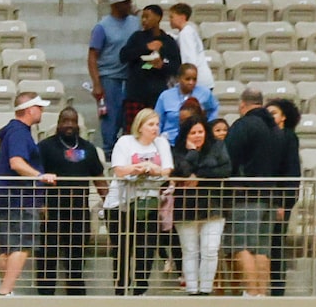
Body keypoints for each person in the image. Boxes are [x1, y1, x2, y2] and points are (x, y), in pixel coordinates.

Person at [224, 95, 302, 297]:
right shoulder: (278, 131)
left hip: (245, 196)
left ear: (242, 105)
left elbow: (228, 158)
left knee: (241, 247)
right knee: (262, 250)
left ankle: (250, 293)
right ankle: (261, 294)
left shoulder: (244, 125)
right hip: (270, 196)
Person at [37, 105, 104, 295]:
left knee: (77, 254)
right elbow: (36, 176)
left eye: (73, 121)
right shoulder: (45, 147)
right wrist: (39, 203)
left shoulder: (88, 148)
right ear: (58, 124)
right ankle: (45, 293)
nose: (69, 125)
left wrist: (108, 202)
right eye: (65, 121)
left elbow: (99, 178)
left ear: (78, 124)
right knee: (48, 254)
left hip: (79, 212)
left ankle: (75, 293)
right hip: (51, 212)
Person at [0, 92, 55, 296]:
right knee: (21, 245)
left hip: (7, 197)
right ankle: (5, 291)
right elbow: (16, 162)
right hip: (21, 199)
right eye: (39, 107)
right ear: (30, 109)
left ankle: (5, 290)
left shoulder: (12, 132)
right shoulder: (19, 133)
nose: (42, 111)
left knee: (7, 248)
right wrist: (41, 176)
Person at [106, 108, 172, 295]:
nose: (155, 128)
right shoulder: (125, 142)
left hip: (148, 203)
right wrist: (137, 168)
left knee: (147, 248)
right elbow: (119, 170)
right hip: (120, 204)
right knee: (122, 249)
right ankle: (121, 288)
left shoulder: (161, 143)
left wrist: (154, 169)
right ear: (140, 126)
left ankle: (140, 288)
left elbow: (167, 170)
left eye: (157, 124)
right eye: (151, 124)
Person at [167, 113, 230, 296]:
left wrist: (200, 176)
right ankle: (193, 291)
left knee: (210, 250)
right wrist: (192, 153)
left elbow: (225, 170)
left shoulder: (218, 147)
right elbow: (182, 172)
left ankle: (206, 290)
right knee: (190, 251)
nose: (197, 135)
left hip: (213, 207)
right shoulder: (176, 151)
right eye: (193, 132)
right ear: (185, 134)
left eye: (200, 131)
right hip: (186, 209)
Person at [86, 0, 141, 150]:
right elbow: (92, 56)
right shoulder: (102, 27)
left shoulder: (135, 22)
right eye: (126, 2)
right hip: (109, 77)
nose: (130, 4)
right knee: (111, 117)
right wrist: (96, 84)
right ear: (116, 5)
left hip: (130, 77)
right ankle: (109, 150)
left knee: (129, 116)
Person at [115, 7, 184, 134]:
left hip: (157, 94)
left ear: (158, 18)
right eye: (142, 17)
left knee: (155, 131)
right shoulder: (137, 37)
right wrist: (146, 47)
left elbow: (177, 67)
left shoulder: (168, 41)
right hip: (136, 93)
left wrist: (162, 65)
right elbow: (123, 56)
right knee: (133, 132)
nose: (144, 20)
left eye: (147, 17)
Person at [152, 63, 219, 140]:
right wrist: (157, 139)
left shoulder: (205, 93)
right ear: (179, 78)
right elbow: (158, 120)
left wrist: (209, 126)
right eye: (187, 79)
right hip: (171, 140)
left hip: (196, 140)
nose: (191, 82)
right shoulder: (165, 96)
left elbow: (213, 108)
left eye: (194, 79)